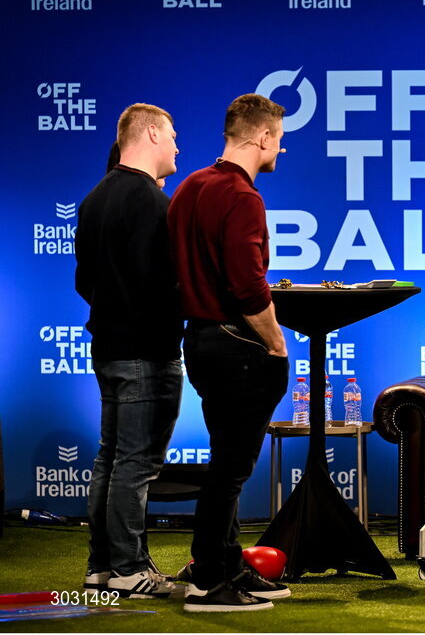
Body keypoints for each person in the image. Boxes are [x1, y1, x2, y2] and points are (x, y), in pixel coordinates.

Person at [167, 93, 291, 613]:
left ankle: (225, 563)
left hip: (198, 341)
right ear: (262, 136)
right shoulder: (244, 198)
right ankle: (208, 581)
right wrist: (276, 342)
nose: (280, 151)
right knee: (231, 470)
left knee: (226, 462)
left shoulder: (190, 186)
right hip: (236, 347)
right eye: (279, 140)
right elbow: (247, 287)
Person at [75, 103, 183, 598]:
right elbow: (161, 284)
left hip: (108, 347)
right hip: (146, 351)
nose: (179, 146)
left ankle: (103, 565)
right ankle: (129, 568)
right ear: (154, 135)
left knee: (111, 458)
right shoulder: (154, 204)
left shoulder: (94, 198)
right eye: (175, 136)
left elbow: (84, 282)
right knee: (136, 464)